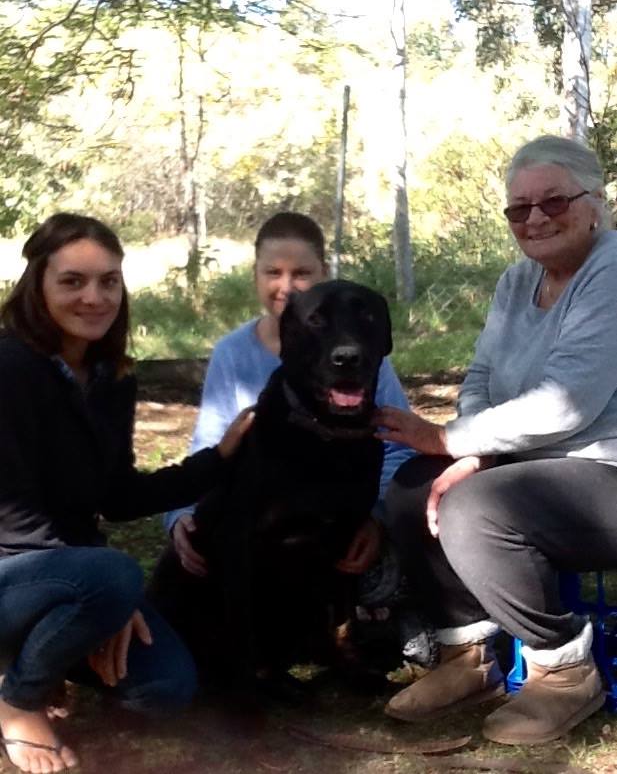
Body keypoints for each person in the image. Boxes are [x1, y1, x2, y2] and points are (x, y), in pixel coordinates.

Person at [374, 134, 617, 745]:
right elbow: (481, 376)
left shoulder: (611, 273)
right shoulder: (516, 282)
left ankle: (563, 669)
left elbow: (567, 402)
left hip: (604, 471)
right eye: (518, 208)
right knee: (412, 486)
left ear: (595, 202)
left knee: (476, 507)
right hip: (535, 466)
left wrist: (450, 439)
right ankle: (469, 656)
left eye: (554, 201)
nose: (535, 219)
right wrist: (472, 450)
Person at [0, 213, 253, 774]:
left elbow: (117, 496)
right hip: (11, 570)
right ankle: (17, 701)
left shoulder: (111, 377)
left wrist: (219, 459)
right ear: (37, 285)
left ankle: (34, 655)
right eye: (72, 281)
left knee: (165, 689)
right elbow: (13, 521)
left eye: (108, 281)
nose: (94, 297)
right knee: (115, 575)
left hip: (69, 576)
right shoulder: (9, 368)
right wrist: (107, 595)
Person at [164, 211, 414, 579]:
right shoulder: (232, 352)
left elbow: (399, 445)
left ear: (323, 273)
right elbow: (210, 445)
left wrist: (375, 515)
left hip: (339, 516)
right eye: (273, 272)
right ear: (255, 275)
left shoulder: (357, 355)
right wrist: (180, 514)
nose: (287, 286)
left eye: (301, 273)